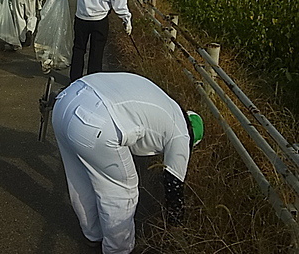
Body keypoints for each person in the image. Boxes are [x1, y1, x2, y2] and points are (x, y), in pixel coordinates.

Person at [51, 72, 204, 254]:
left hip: (66, 100)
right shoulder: (182, 135)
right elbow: (173, 184)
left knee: (80, 178)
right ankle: (118, 250)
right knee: (122, 191)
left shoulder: (167, 103)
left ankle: (92, 234)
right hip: (95, 122)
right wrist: (176, 225)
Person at [63, 0, 132, 82]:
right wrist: (126, 19)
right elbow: (119, 4)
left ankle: (74, 80)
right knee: (96, 53)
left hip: (81, 18)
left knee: (78, 49)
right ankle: (92, 81)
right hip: (99, 20)